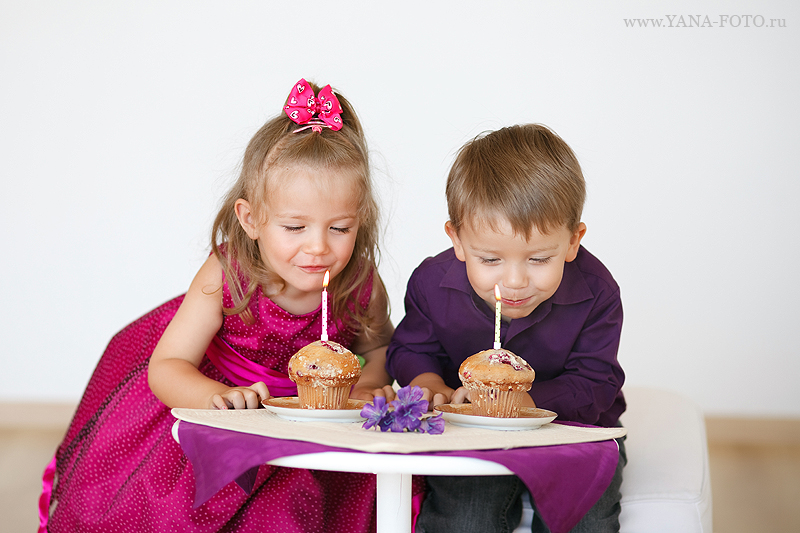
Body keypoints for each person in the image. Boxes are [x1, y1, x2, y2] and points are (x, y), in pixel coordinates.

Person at [39, 78, 395, 533]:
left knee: (291, 516)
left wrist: (367, 385)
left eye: (339, 228)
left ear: (360, 220)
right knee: (172, 514)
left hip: (309, 430)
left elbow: (378, 349)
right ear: (251, 219)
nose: (318, 247)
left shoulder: (360, 282)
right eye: (294, 227)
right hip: (221, 414)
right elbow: (167, 366)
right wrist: (214, 398)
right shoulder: (226, 276)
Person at [386, 124, 626, 533]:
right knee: (464, 517)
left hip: (573, 430)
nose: (514, 282)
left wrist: (521, 403)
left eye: (538, 259)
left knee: (587, 518)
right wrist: (428, 384)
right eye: (491, 260)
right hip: (471, 428)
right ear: (457, 239)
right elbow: (411, 349)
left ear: (573, 241)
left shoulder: (597, 292)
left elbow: (595, 383)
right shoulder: (431, 282)